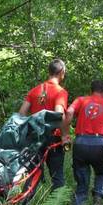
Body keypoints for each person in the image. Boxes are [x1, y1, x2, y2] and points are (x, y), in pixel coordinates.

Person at [18, 59, 68, 190]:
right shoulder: (60, 92)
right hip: (53, 139)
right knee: (57, 176)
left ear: (49, 71)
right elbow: (59, 114)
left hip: (34, 138)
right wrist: (64, 136)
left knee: (32, 174)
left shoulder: (34, 90)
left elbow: (21, 113)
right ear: (61, 72)